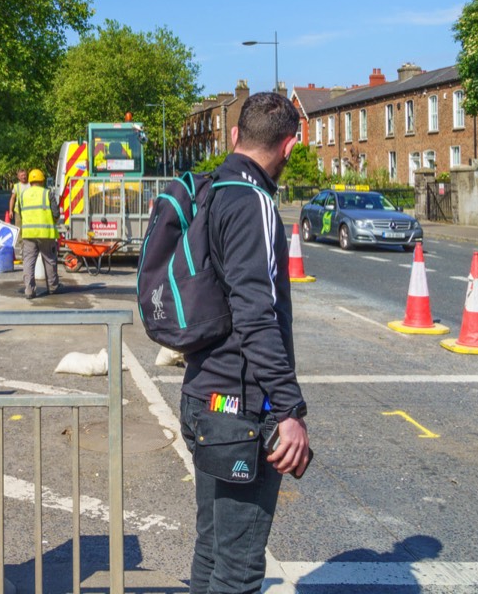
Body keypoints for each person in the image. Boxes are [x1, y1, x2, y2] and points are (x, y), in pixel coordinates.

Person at [179, 91, 310, 594]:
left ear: (234, 137)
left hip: (201, 397)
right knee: (238, 571)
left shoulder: (211, 190)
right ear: (289, 148)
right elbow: (256, 317)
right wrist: (289, 411)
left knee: (211, 554)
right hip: (239, 412)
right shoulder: (253, 202)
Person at [18, 168, 61, 300]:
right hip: (45, 234)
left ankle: (29, 291)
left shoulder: (23, 195)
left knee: (28, 262)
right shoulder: (48, 193)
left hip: (28, 234)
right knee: (49, 260)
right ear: (42, 181)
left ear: (30, 182)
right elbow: (56, 213)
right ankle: (53, 287)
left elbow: (21, 213)